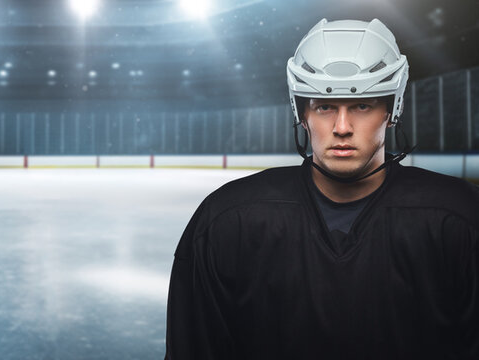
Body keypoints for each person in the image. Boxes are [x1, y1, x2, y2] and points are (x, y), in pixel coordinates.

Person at [165, 18, 479, 359]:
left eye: (362, 105)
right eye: (325, 105)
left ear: (393, 108)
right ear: (301, 112)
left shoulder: (461, 218)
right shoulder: (227, 221)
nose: (342, 127)